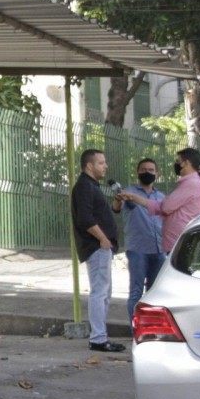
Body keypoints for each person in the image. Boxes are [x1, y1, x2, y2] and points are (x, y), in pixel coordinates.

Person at [70, 149, 125, 353]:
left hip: (102, 246)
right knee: (99, 293)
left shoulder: (92, 186)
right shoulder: (84, 186)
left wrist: (117, 203)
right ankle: (98, 338)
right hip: (97, 246)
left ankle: (100, 336)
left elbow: (101, 214)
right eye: (101, 163)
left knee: (104, 292)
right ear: (89, 165)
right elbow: (85, 219)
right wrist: (102, 238)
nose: (105, 166)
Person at [121, 148, 200, 255]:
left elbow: (165, 207)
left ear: (186, 163)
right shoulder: (188, 183)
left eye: (178, 161)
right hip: (173, 243)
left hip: (180, 243)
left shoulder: (190, 183)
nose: (176, 164)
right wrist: (134, 197)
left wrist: (135, 198)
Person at [112, 158, 166, 322]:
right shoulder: (129, 193)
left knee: (155, 292)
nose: (147, 173)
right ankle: (136, 330)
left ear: (157, 173)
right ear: (137, 172)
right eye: (143, 169)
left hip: (158, 249)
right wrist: (118, 199)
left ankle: (152, 327)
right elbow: (116, 208)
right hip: (138, 250)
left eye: (151, 170)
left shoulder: (161, 196)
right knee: (136, 292)